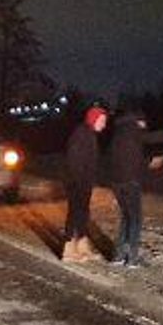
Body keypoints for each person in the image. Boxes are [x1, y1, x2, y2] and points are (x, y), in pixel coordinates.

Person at [107, 110, 163, 267]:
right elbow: (151, 137)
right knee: (135, 219)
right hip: (130, 182)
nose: (145, 127)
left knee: (126, 217)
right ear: (139, 121)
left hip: (116, 182)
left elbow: (128, 158)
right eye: (144, 123)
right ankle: (132, 259)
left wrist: (149, 161)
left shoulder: (119, 133)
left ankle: (119, 256)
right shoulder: (132, 130)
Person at [62, 106, 108, 262]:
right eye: (102, 120)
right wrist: (79, 180)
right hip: (77, 182)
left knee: (83, 214)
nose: (104, 124)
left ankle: (82, 247)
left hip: (85, 181)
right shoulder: (81, 133)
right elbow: (74, 159)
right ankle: (68, 250)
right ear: (93, 119)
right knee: (75, 213)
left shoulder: (90, 135)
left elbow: (89, 161)